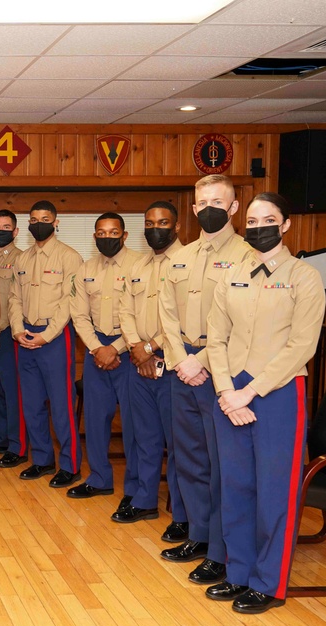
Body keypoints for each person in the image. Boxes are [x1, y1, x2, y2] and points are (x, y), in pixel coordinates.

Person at [205, 192, 325, 613]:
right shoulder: (231, 274)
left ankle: (268, 583)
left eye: (268, 220)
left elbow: (301, 345)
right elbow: (215, 337)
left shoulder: (304, 276)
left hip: (276, 393)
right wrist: (224, 390)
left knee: (274, 492)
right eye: (252, 222)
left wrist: (248, 392)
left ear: (286, 224)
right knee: (236, 487)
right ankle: (238, 573)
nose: (258, 228)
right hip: (229, 391)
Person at [158, 174, 252, 586]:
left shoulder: (249, 255)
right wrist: (181, 360)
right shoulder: (180, 257)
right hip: (182, 371)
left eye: (219, 200)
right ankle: (198, 534)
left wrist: (201, 362)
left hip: (221, 375)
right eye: (203, 201)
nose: (210, 207)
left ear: (233, 208)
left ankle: (221, 549)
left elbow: (242, 324)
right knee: (190, 460)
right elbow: (166, 313)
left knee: (221, 466)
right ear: (194, 209)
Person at [115, 202, 188, 538]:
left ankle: (183, 515)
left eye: (162, 222)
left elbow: (183, 317)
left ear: (176, 226)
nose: (155, 228)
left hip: (173, 365)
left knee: (178, 443)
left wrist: (150, 347)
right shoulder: (139, 264)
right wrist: (134, 345)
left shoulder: (188, 262)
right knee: (144, 437)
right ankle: (144, 499)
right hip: (139, 363)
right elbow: (124, 309)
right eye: (149, 222)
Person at [7, 201, 84, 488]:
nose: (39, 223)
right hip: (25, 337)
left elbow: (70, 301)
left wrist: (47, 335)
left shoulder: (69, 258)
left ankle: (70, 465)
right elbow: (14, 298)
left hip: (54, 338)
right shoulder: (23, 260)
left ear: (56, 222)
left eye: (45, 218)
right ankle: (42, 459)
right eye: (34, 218)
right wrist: (17, 330)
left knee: (62, 404)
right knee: (32, 404)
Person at [69, 213, 140, 502]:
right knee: (96, 420)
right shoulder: (86, 268)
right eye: (101, 233)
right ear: (94, 236)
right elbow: (79, 314)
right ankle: (99, 479)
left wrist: (118, 348)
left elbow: (146, 315)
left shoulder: (139, 265)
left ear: (124, 235)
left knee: (135, 424)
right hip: (96, 350)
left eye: (113, 232)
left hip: (131, 351)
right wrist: (98, 348)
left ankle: (135, 488)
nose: (106, 237)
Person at [0, 209, 28, 468]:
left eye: (6, 227)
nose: (0, 230)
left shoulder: (22, 260)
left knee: (14, 393)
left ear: (15, 232)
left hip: (9, 335)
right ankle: (0, 437)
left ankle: (17, 445)